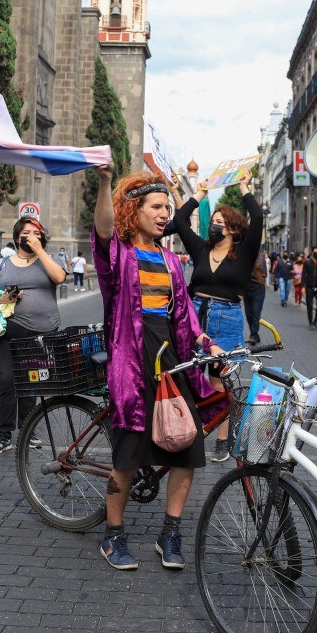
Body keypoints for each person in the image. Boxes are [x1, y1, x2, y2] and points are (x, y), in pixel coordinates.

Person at [92, 165, 224, 571]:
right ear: (135, 211)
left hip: (170, 356)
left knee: (188, 447)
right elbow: (101, 228)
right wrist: (103, 182)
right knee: (128, 454)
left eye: (168, 206)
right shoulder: (118, 252)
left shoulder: (169, 259)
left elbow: (183, 313)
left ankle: (171, 532)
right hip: (130, 359)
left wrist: (204, 341)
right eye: (157, 206)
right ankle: (113, 535)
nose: (166, 213)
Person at [173, 169, 263, 462]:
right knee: (184, 375)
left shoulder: (243, 253)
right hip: (193, 317)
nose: (214, 226)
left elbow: (258, 219)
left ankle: (223, 440)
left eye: (220, 223)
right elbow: (180, 221)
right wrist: (198, 194)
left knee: (218, 381)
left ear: (233, 230)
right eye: (212, 222)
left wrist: (245, 187)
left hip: (225, 319)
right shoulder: (200, 249)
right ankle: (189, 430)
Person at [0, 218, 66, 454]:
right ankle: (3, 435)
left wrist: (40, 251)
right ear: (17, 236)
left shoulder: (49, 260)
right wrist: (5, 297)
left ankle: (28, 430)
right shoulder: (3, 264)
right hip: (8, 331)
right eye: (26, 232)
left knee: (32, 382)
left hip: (42, 333)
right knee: (7, 381)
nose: (30, 236)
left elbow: (59, 278)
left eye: (36, 233)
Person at [243, 252, 267, 346]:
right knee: (248, 314)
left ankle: (253, 335)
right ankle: (255, 334)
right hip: (246, 289)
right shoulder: (244, 255)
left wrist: (256, 274)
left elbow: (265, 273)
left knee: (255, 313)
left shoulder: (261, 257)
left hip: (258, 289)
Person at [302, 246, 317, 330]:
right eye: (315, 252)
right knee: (309, 305)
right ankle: (310, 323)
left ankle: (315, 320)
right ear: (312, 252)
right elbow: (303, 275)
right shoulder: (307, 263)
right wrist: (302, 286)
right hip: (309, 287)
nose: (316, 253)